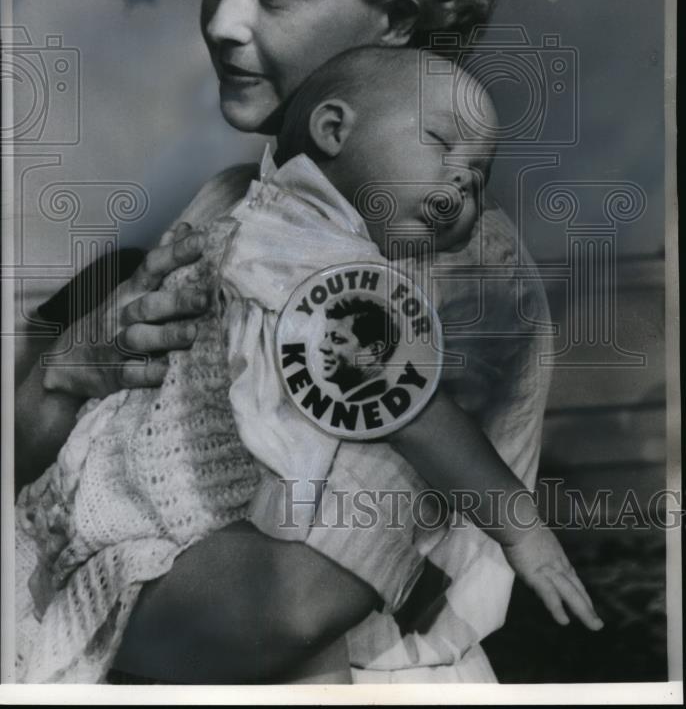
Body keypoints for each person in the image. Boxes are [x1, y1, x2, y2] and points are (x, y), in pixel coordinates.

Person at [14, 0, 554, 684]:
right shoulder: (231, 201)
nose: (223, 21)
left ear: (394, 17)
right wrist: (78, 367)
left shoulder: (452, 266)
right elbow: (29, 455)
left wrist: (43, 606)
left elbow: (277, 610)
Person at [15, 48, 602, 684]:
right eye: (441, 146)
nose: (463, 183)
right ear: (333, 130)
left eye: (479, 178)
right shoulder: (313, 256)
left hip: (196, 543)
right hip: (176, 518)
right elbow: (416, 410)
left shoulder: (269, 220)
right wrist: (521, 529)